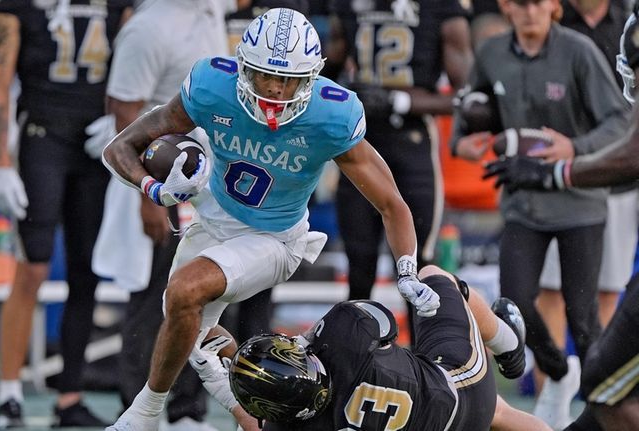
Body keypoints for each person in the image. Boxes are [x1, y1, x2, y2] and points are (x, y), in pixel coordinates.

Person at [101, 7, 441, 431]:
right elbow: (119, 148)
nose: (277, 90)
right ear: (243, 66)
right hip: (213, 220)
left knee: (186, 291)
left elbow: (392, 202)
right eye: (266, 75)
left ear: (312, 77)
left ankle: (144, 414)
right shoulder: (211, 86)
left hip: (276, 238)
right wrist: (155, 190)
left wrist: (407, 269)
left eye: (290, 80)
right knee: (194, 336)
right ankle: (265, 424)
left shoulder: (331, 114)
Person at [451, 0, 629, 427]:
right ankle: (561, 372)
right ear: (505, 6)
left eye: (538, 1)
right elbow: (467, 117)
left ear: (553, 5)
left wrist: (574, 148)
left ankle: (599, 411)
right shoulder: (491, 54)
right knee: (513, 301)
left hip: (579, 201)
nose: (529, 10)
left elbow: (621, 121)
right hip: (522, 203)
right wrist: (464, 142)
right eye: (520, 2)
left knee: (584, 318)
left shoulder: (580, 51)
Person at [88, 0, 242, 429]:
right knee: (153, 294)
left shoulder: (208, 9)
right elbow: (124, 111)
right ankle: (136, 406)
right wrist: (148, 196)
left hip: (207, 177)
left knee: (204, 295)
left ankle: (186, 409)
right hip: (160, 175)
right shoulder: (149, 27)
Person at [0, 0, 132, 427]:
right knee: (33, 264)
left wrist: (122, 123)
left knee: (86, 273)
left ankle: (69, 396)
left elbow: (138, 58)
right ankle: (9, 393)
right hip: (42, 137)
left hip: (95, 142)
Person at [229, 265, 551, 431]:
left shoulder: (289, 426)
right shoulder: (343, 333)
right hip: (457, 396)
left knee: (494, 413)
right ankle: (509, 345)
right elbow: (385, 326)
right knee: (433, 276)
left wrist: (221, 375)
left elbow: (252, 421)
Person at [328, 0, 473, 310]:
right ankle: (354, 355)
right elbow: (323, 72)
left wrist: (399, 101)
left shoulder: (441, 10)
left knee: (418, 269)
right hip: (359, 140)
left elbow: (467, 95)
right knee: (359, 262)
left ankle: (427, 357)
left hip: (413, 140)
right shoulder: (348, 6)